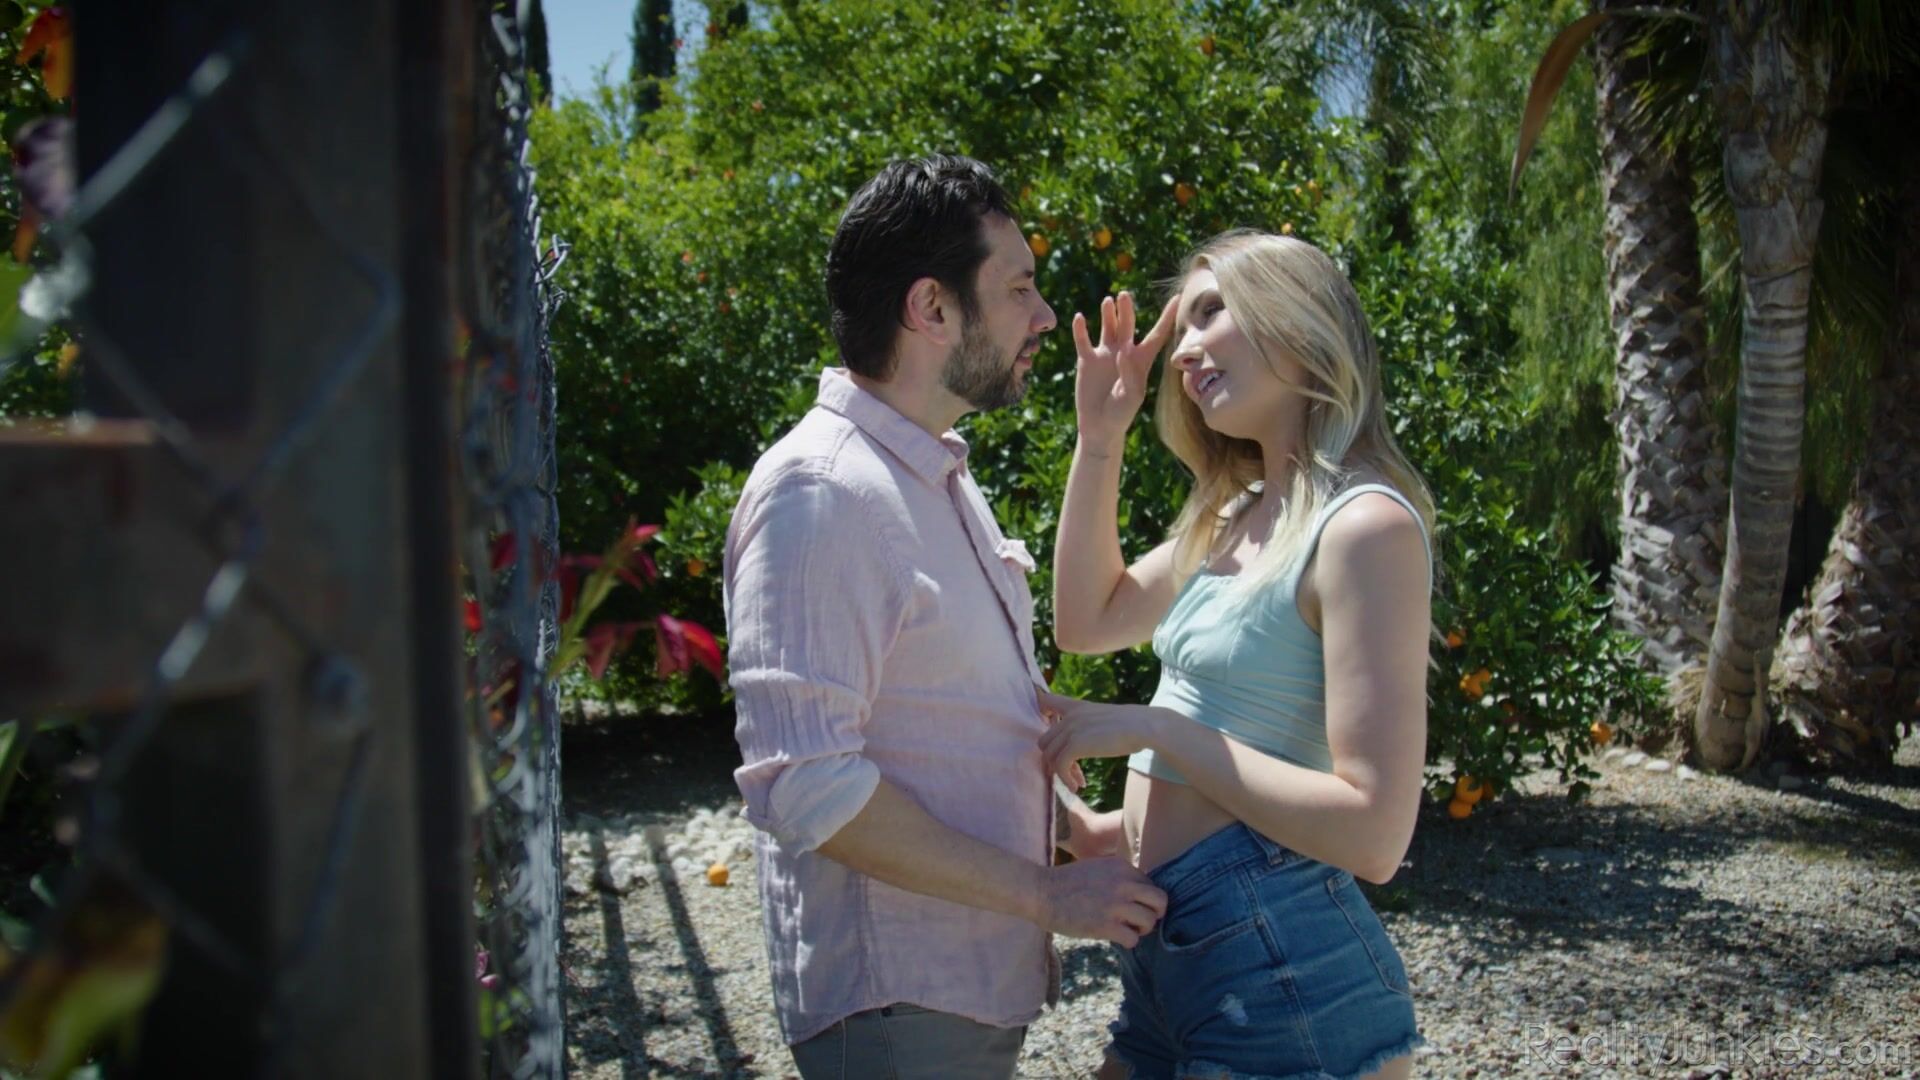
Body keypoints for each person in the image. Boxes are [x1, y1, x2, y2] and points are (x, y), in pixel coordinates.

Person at [722, 153, 1168, 1080]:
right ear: (931, 307)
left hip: (948, 996)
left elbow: (938, 727)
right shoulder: (821, 492)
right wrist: (1045, 894)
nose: (1044, 317)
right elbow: (809, 784)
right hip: (899, 1008)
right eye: (1019, 288)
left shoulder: (929, 473)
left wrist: (1069, 827)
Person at [1041, 230, 1434, 1080]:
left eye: (1209, 313)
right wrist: (1100, 438)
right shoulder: (1236, 516)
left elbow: (1375, 834)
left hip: (1280, 971)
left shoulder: (1365, 527)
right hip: (1170, 956)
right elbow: (1085, 620)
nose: (1182, 351)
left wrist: (1156, 729)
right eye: (1182, 327)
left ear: (1297, 321)